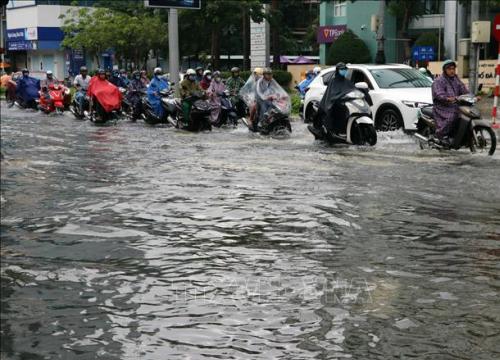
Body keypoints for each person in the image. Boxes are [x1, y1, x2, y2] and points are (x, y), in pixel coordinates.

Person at [312, 62, 360, 136]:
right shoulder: (333, 81)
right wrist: (339, 96)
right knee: (333, 112)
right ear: (338, 70)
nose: (344, 71)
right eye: (342, 69)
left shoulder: (347, 81)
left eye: (345, 69)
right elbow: (333, 94)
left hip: (344, 104)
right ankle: (331, 131)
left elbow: (353, 89)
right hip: (333, 104)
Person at [431, 59, 469, 144]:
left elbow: (463, 90)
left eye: (453, 69)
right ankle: (440, 134)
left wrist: (473, 96)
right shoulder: (439, 80)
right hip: (442, 106)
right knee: (452, 116)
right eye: (449, 69)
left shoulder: (456, 79)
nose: (452, 71)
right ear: (445, 70)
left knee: (466, 114)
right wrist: (448, 98)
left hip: (454, 105)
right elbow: (439, 94)